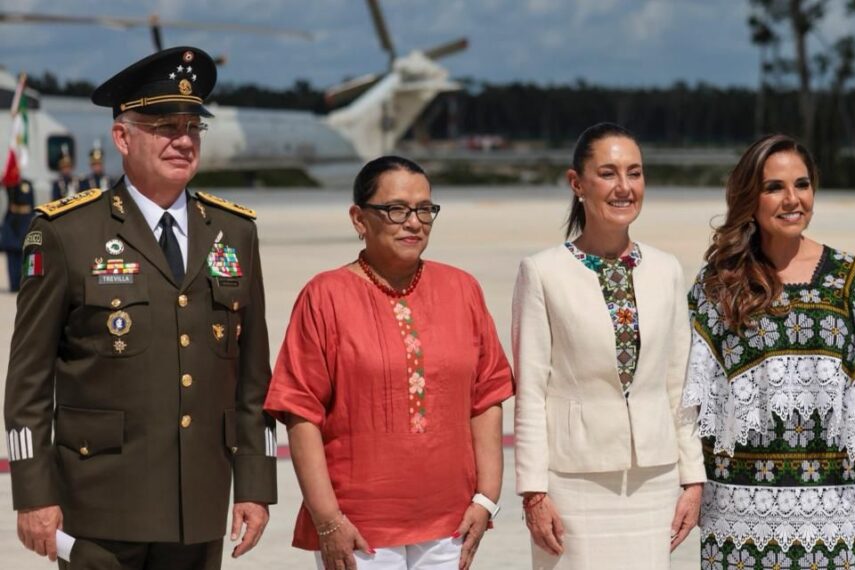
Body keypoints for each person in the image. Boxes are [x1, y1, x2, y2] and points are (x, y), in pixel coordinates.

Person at [3, 46, 277, 569]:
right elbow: (28, 382)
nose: (181, 139)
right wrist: (34, 494)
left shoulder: (234, 232)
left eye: (192, 126)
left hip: (198, 503)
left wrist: (256, 484)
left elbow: (252, 378)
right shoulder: (67, 232)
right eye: (162, 125)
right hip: (101, 506)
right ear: (122, 137)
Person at [264, 155, 514, 570]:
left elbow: (487, 395)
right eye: (396, 210)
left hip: (451, 521)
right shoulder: (325, 296)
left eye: (424, 210)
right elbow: (300, 412)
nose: (413, 222)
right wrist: (327, 520)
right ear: (359, 219)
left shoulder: (462, 288)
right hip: (358, 528)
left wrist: (486, 498)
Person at [682, 134, 855, 569]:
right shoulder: (719, 283)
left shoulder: (849, 278)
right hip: (738, 513)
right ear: (751, 198)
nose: (792, 199)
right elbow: (692, 400)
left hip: (830, 510)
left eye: (802, 184)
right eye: (774, 187)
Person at [512, 122, 706, 569]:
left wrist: (692, 479)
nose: (624, 187)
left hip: (654, 480)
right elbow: (531, 393)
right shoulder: (543, 272)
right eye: (608, 173)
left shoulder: (667, 269)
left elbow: (680, 383)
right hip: (572, 481)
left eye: (634, 173)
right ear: (576, 183)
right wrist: (533, 492)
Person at [1, 178, 35, 292]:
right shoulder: (9, 184)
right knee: (12, 257)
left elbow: (31, 205)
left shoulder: (27, 184)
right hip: (12, 223)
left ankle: (28, 284)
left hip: (25, 221)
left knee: (28, 254)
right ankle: (14, 284)